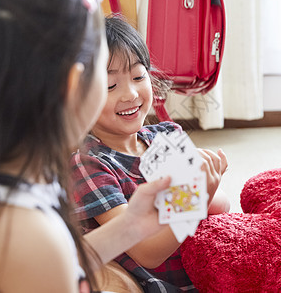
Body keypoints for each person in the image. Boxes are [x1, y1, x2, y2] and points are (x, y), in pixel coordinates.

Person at [0, 0, 174, 292]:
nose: (127, 93)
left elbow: (58, 260)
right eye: (108, 80)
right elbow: (46, 258)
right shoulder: (28, 232)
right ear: (72, 85)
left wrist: (130, 226)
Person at [70, 16, 230, 292]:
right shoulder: (89, 164)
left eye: (138, 76)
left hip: (209, 270)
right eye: (110, 86)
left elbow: (221, 207)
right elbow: (148, 253)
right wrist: (194, 196)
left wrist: (207, 178)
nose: (130, 94)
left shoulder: (165, 136)